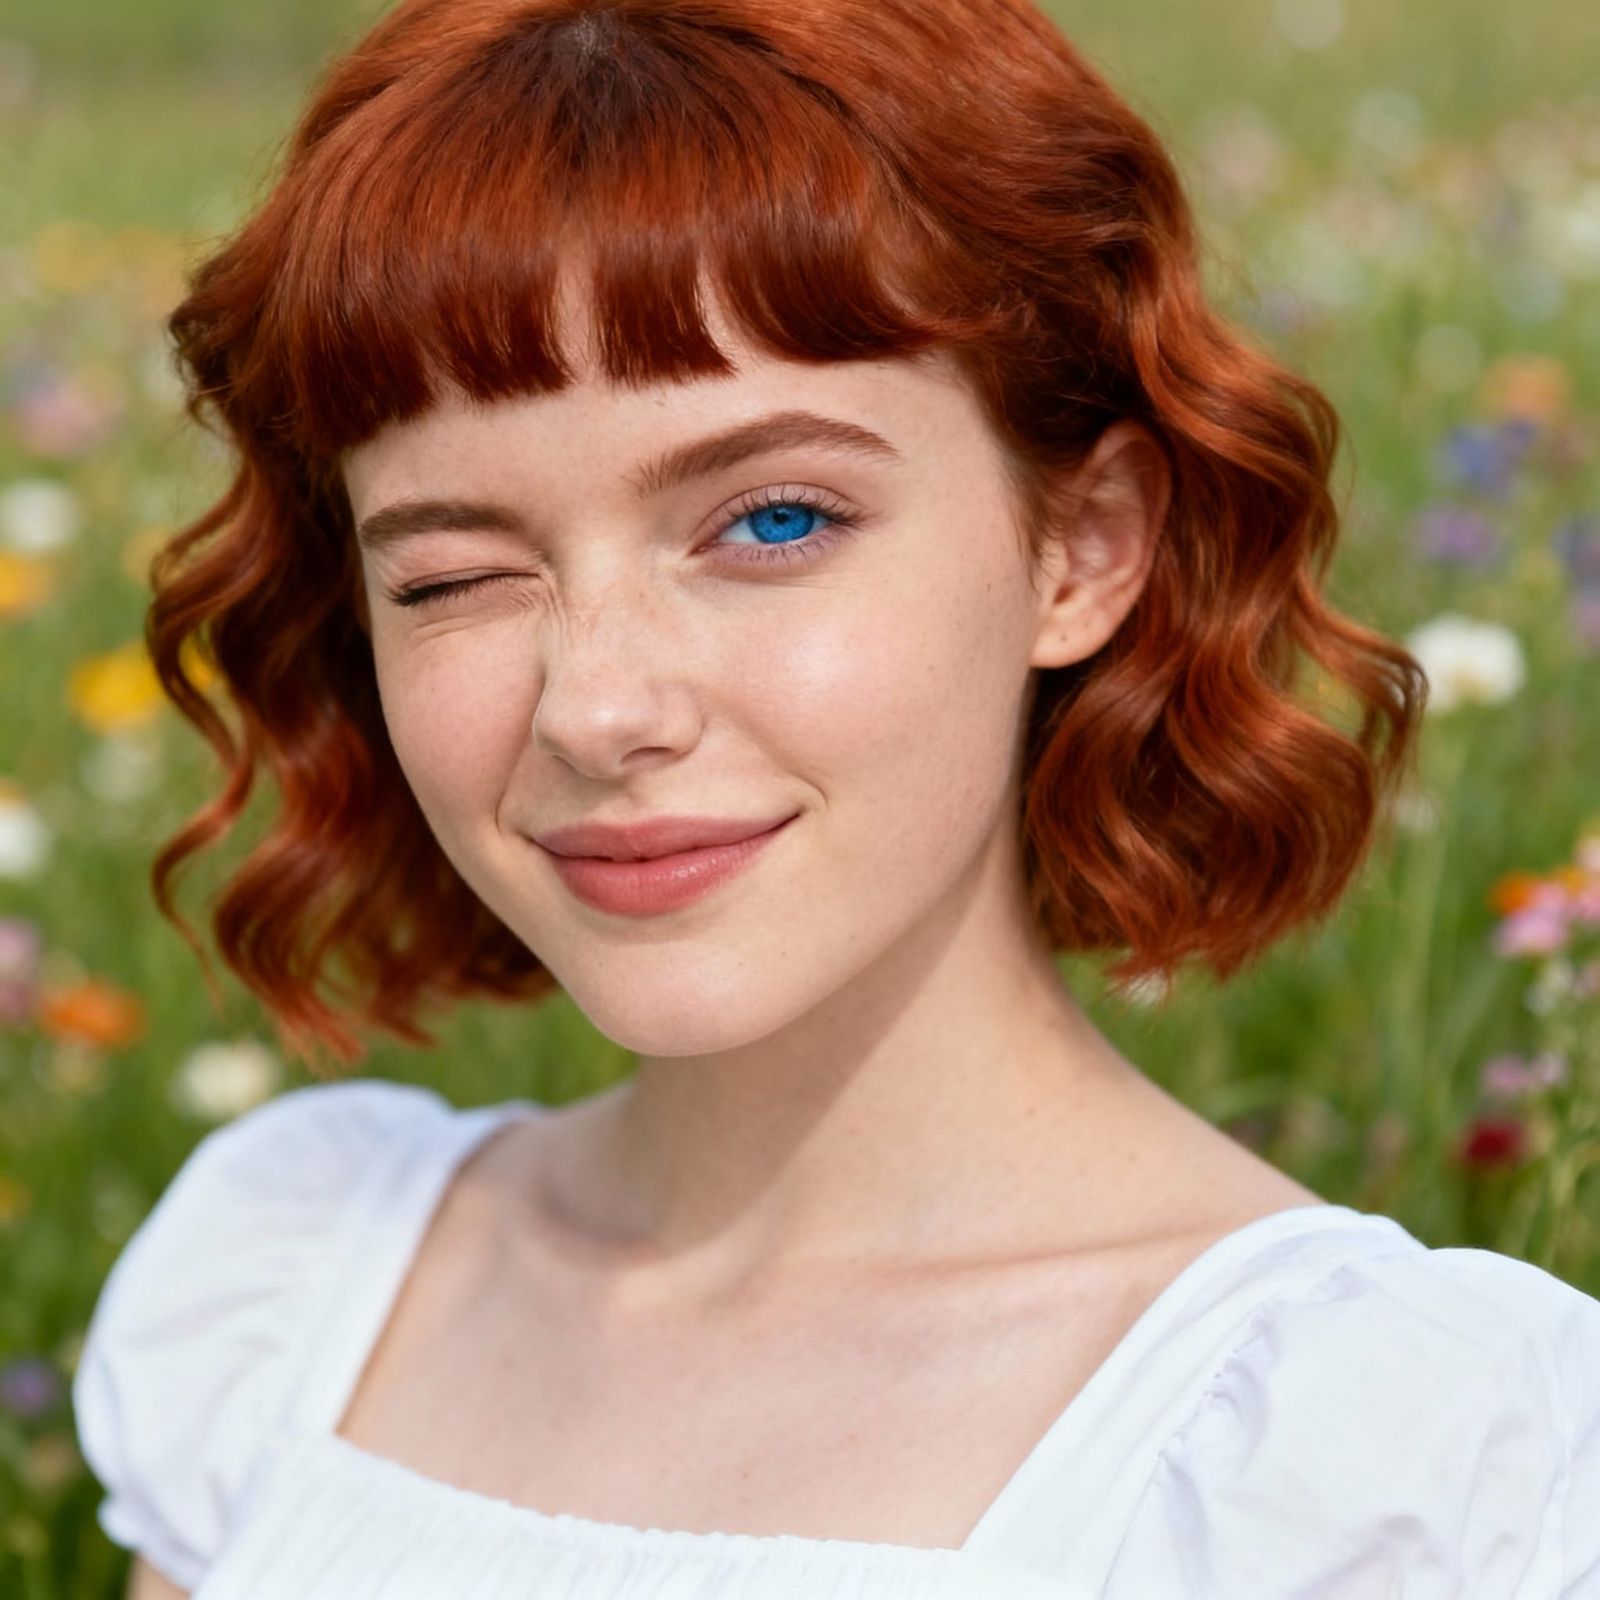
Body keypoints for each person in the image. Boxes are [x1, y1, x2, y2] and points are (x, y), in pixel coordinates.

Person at [71, 0, 1600, 1596]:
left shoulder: (1388, 1465)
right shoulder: (297, 1291)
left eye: (775, 522)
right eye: (456, 574)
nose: (600, 707)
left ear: (1082, 547)